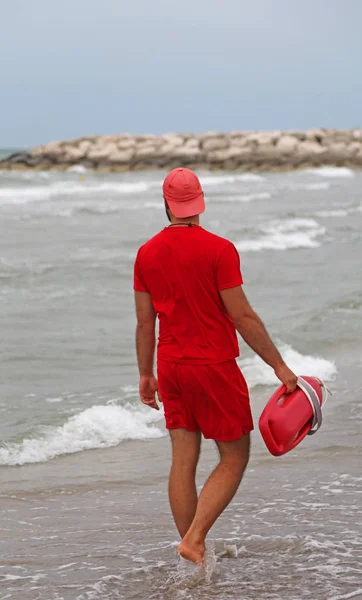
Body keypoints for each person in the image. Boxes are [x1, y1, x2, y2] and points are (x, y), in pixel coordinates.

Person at [133, 167, 297, 565]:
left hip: (171, 366)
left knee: (183, 460)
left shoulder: (146, 253)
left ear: (166, 203)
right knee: (235, 455)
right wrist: (279, 367)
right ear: (199, 202)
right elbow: (242, 316)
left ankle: (195, 552)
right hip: (213, 367)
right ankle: (195, 539)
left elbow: (144, 322)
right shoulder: (219, 249)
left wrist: (145, 373)